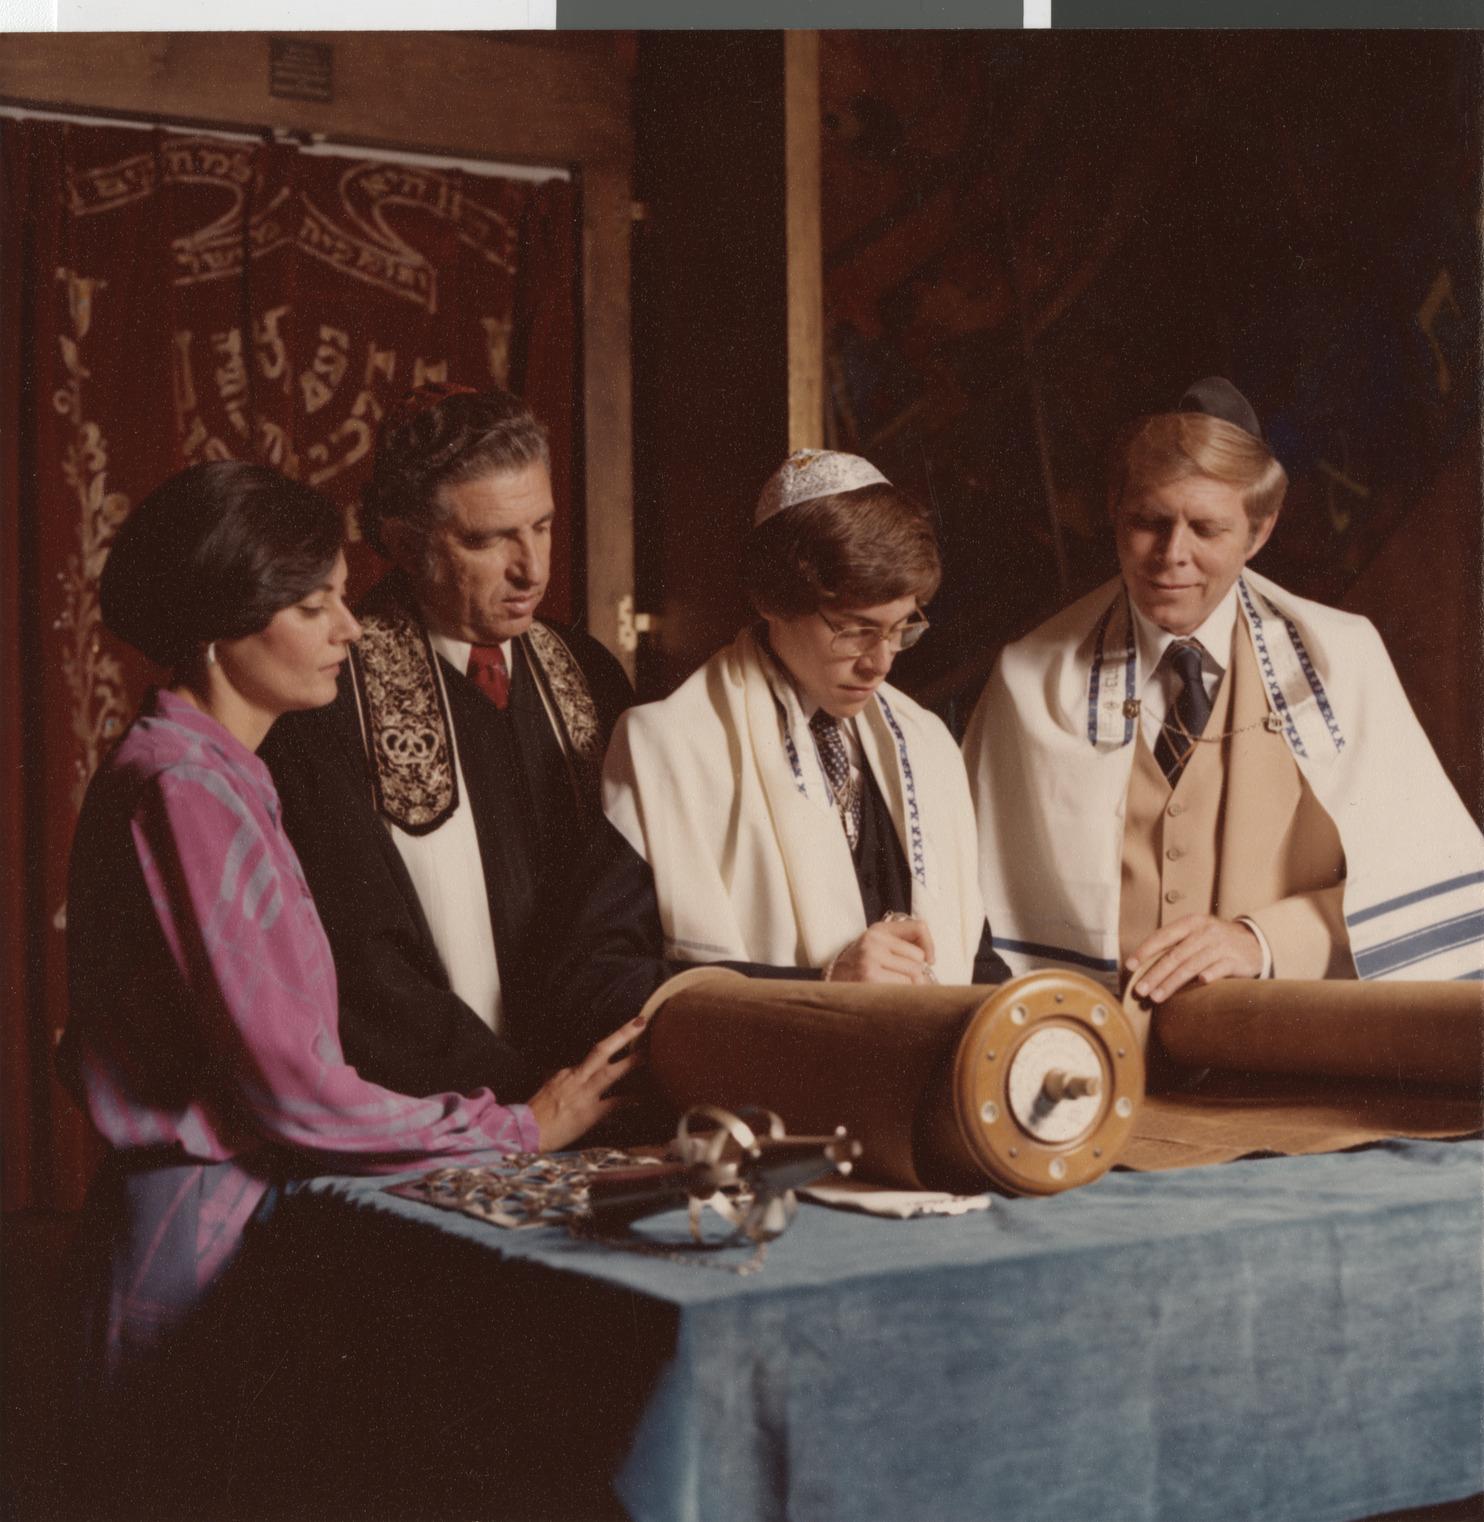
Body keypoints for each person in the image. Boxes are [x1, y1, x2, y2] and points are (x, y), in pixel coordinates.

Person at [58, 461, 641, 1516]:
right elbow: (294, 1091)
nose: (350, 629)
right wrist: (518, 1125)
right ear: (218, 625)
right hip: (202, 1240)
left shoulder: (218, 771)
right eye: (311, 603)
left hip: (237, 1221)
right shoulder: (183, 789)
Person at [964, 377, 1484, 1006]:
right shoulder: (1029, 677)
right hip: (1089, 1043)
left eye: (1206, 529)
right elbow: (970, 907)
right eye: (1148, 523)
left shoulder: (1343, 659)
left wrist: (1261, 941)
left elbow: (1432, 884)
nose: (1171, 556)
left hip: (1283, 1046)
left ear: (1259, 532)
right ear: (1113, 511)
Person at [548, 449, 1010, 1044]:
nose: (880, 663)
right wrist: (821, 986)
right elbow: (593, 986)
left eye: (901, 628)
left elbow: (974, 958)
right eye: (854, 629)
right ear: (770, 600)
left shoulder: (926, 745)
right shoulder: (669, 747)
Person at [258, 384, 633, 1099]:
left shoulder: (593, 677)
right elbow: (363, 971)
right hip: (447, 1109)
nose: (532, 568)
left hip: (608, 1095)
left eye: (544, 526)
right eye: (489, 539)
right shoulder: (328, 703)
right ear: (403, 541)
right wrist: (524, 1107)